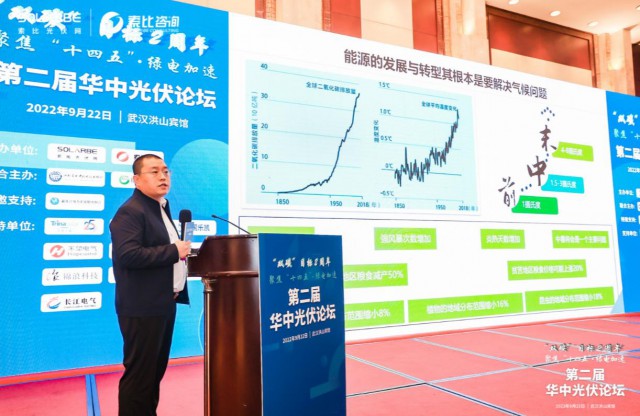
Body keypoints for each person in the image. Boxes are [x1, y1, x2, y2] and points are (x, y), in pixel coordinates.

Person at [110, 154, 191, 416]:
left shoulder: (160, 208)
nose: (162, 177)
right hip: (142, 307)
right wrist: (174, 251)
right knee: (140, 377)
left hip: (163, 303)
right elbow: (128, 255)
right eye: (154, 172)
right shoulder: (131, 211)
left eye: (165, 171)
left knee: (153, 374)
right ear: (136, 179)